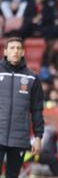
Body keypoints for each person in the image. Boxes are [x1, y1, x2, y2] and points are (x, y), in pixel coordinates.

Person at [0, 37, 44, 177]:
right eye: (12, 48)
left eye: (18, 48)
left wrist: (38, 137)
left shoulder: (32, 78)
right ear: (5, 51)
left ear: (23, 52)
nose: (15, 51)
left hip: (19, 138)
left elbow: (37, 110)